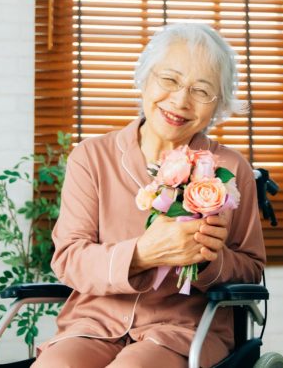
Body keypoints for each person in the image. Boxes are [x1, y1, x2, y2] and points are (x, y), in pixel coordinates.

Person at [33, 23, 266, 368]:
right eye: (169, 80)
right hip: (93, 326)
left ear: (217, 105)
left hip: (182, 333)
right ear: (145, 78)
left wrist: (208, 260)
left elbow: (250, 268)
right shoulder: (91, 157)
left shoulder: (231, 167)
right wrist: (141, 254)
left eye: (201, 91)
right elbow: (69, 258)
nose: (180, 101)